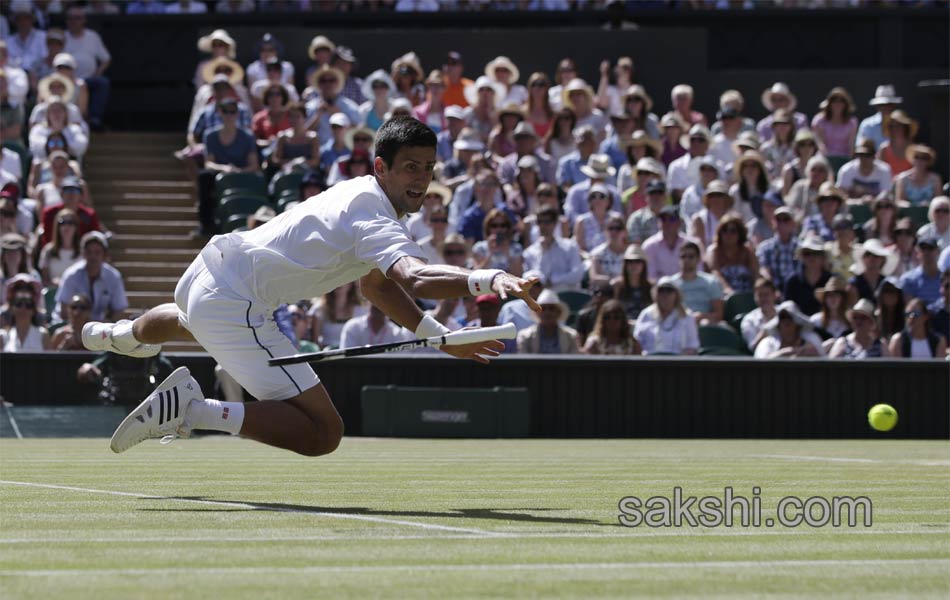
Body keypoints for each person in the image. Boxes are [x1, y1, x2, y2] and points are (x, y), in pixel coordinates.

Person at [81, 117, 538, 456]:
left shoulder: (360, 192)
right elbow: (413, 277)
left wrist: (437, 338)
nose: (421, 179)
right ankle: (192, 410)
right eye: (411, 168)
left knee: (192, 322)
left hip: (207, 272)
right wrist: (491, 278)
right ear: (382, 167)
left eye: (428, 168)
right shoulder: (374, 214)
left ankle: (119, 336)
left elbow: (377, 289)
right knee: (323, 433)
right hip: (234, 300)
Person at [196, 98, 259, 236]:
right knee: (204, 177)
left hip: (242, 176)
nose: (229, 115)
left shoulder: (248, 136)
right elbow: (209, 163)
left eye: (232, 112)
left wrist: (239, 171)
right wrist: (224, 169)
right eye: (225, 111)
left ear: (237, 114)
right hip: (219, 175)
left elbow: (253, 165)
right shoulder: (210, 135)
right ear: (220, 113)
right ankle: (206, 224)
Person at [55, 231, 127, 323]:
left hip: (101, 329)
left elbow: (119, 310)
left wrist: (107, 324)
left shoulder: (114, 277)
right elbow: (63, 310)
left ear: (104, 255)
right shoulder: (71, 275)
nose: (93, 256)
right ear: (83, 254)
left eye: (97, 252)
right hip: (71, 325)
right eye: (89, 252)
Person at [63, 6, 110, 129]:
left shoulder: (92, 36)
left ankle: (94, 119)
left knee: (102, 82)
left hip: (89, 79)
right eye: (70, 18)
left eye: (77, 18)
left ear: (84, 20)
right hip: (66, 81)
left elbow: (106, 59)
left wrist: (98, 72)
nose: (74, 21)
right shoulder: (62, 37)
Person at [521, 206, 584, 292]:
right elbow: (527, 277)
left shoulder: (570, 246)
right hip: (541, 298)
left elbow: (577, 274)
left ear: (555, 223)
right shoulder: (529, 252)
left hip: (567, 294)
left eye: (547, 222)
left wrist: (554, 281)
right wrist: (544, 252)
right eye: (539, 222)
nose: (543, 226)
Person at [634, 276, 699, 355]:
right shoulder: (646, 314)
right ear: (656, 294)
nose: (665, 294)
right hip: (649, 362)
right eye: (661, 291)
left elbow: (693, 346)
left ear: (676, 294)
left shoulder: (687, 316)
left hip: (678, 364)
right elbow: (636, 342)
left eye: (669, 290)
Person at [672, 241, 724, 325]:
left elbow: (719, 314)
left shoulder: (711, 282)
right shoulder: (671, 284)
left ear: (698, 259)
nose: (686, 260)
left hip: (705, 325)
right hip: (679, 324)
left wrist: (702, 316)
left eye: (691, 256)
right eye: (683, 256)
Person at [706, 215, 758, 296]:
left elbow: (756, 275)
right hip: (722, 296)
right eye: (725, 230)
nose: (728, 234)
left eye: (733, 231)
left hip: (747, 294)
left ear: (740, 234)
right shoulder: (714, 251)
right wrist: (728, 290)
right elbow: (715, 273)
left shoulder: (747, 251)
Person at [753, 300, 823, 359]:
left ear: (798, 323)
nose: (786, 320)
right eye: (782, 317)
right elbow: (762, 364)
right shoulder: (767, 343)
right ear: (778, 324)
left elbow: (823, 361)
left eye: (790, 317)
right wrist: (785, 353)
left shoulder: (812, 339)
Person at [516, 289, 578, 355]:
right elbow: (523, 362)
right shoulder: (525, 336)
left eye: (551, 308)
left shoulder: (571, 336)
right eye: (543, 309)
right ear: (537, 313)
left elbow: (574, 361)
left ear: (558, 312)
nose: (547, 312)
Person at [783, 236, 831, 316]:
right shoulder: (792, 281)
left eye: (816, 253)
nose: (811, 257)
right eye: (807, 253)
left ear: (823, 257)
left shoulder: (831, 280)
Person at [810, 87, 858, 168]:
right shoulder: (819, 120)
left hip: (844, 159)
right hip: (824, 159)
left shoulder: (852, 122)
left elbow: (851, 145)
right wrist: (828, 158)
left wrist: (850, 162)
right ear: (829, 103)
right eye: (834, 101)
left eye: (841, 101)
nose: (837, 104)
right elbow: (820, 144)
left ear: (846, 104)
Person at [0, 276, 49, 352]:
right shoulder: (3, 336)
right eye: (18, 303)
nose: (23, 308)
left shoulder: (43, 335)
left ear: (33, 310)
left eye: (28, 304)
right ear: (12, 308)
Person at [837, 138, 893, 204]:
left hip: (877, 209)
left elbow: (886, 195)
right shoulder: (846, 170)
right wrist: (859, 201)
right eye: (861, 155)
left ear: (874, 156)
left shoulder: (884, 170)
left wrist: (874, 201)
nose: (863, 159)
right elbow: (841, 197)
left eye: (867, 155)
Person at [37, 206, 81, 288]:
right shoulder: (48, 251)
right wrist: (53, 283)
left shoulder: (83, 251)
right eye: (63, 223)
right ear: (57, 226)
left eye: (71, 223)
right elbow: (44, 281)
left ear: (76, 227)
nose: (67, 227)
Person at [472, 209, 523, 275]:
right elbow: (476, 275)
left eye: (503, 225)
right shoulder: (479, 248)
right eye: (494, 225)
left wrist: (507, 253)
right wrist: (490, 253)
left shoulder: (516, 248)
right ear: (488, 227)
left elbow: (518, 274)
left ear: (507, 227)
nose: (499, 229)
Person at [848, 238, 897, 305]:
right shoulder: (854, 283)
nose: (871, 258)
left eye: (875, 255)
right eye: (867, 254)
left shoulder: (888, 283)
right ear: (863, 258)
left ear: (883, 259)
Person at [688, 180, 734, 252]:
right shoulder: (699, 219)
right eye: (712, 196)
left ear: (726, 199)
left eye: (719, 195)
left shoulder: (734, 219)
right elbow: (697, 248)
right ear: (707, 199)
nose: (716, 199)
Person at [899, 236, 942, 305]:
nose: (926, 252)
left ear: (938, 251)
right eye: (923, 248)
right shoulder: (909, 279)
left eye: (930, 248)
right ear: (917, 252)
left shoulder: (945, 279)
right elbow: (909, 308)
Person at [857, 85, 902, 150]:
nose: (886, 107)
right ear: (877, 106)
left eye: (889, 104)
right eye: (882, 105)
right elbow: (861, 148)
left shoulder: (901, 125)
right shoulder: (867, 124)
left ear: (894, 105)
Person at [614, 245, 652, 321]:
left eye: (638, 261)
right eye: (630, 262)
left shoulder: (651, 287)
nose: (634, 265)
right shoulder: (618, 286)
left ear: (643, 265)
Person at [741, 277, 779, 351]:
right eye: (760, 295)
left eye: (766, 294)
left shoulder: (786, 312)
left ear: (774, 295)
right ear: (755, 297)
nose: (763, 298)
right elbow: (753, 347)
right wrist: (767, 329)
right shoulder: (749, 320)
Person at [625, 180, 668, 246]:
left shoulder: (673, 217)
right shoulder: (636, 219)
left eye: (660, 193)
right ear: (646, 197)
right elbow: (635, 246)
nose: (656, 197)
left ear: (665, 196)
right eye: (652, 193)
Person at [589, 215, 628, 285]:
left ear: (625, 232)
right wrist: (613, 281)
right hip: (605, 292)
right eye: (610, 228)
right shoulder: (597, 253)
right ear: (605, 231)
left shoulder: (630, 253)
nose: (614, 232)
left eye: (618, 228)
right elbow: (594, 278)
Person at [876, 110, 917, 176]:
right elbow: (879, 173)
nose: (895, 128)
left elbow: (917, 172)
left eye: (898, 125)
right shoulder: (884, 149)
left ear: (905, 127)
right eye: (892, 126)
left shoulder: (913, 148)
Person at [781, 129, 819, 197]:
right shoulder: (789, 169)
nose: (807, 148)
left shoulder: (822, 167)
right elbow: (786, 196)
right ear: (797, 147)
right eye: (802, 145)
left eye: (810, 144)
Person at [826, 214, 857, 281]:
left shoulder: (859, 251)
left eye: (846, 227)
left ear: (852, 232)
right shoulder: (827, 250)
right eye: (838, 227)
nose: (842, 231)